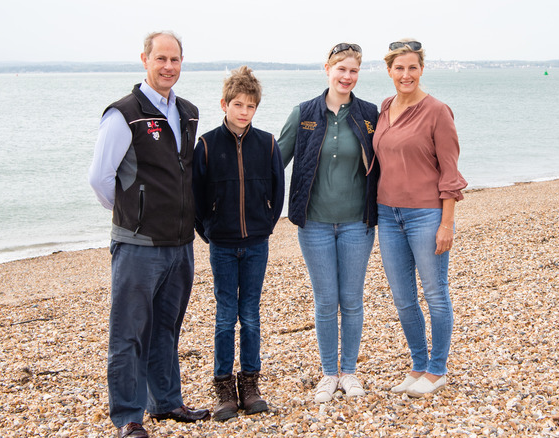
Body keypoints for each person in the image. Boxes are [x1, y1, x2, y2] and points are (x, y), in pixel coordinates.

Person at [88, 31, 209, 438]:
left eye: (175, 59)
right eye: (161, 58)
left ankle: (167, 402)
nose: (168, 67)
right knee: (129, 333)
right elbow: (101, 179)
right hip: (138, 246)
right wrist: (133, 214)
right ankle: (127, 416)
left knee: (167, 328)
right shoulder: (123, 114)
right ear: (145, 59)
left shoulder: (188, 112)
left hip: (180, 245)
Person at [278, 43, 379, 403]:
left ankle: (348, 371)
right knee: (325, 302)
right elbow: (275, 161)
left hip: (357, 223)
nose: (347, 77)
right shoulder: (303, 113)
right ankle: (327, 374)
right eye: (341, 69)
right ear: (327, 69)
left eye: (353, 71)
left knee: (351, 301)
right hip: (315, 224)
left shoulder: (369, 115)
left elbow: (393, 159)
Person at [372, 39, 467, 396]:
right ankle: (418, 365)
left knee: (435, 294)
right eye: (399, 68)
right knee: (403, 297)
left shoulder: (438, 111)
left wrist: (447, 223)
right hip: (387, 213)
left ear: (422, 69)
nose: (406, 74)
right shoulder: (385, 107)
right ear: (389, 71)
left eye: (412, 67)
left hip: (426, 215)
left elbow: (450, 172)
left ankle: (437, 369)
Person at [192, 66, 285, 421]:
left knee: (250, 315)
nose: (244, 111)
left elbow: (277, 192)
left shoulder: (268, 143)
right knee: (224, 316)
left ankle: (250, 384)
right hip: (223, 245)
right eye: (237, 104)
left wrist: (264, 225)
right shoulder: (206, 145)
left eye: (250, 106)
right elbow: (197, 198)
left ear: (256, 109)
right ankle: (223, 386)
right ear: (224, 104)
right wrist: (211, 230)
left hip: (257, 244)